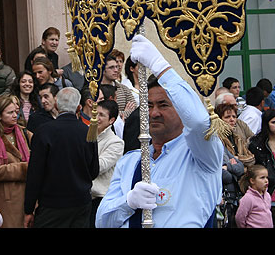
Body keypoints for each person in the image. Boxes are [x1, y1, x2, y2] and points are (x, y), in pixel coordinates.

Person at [95, 35, 223, 228]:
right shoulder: (130, 161)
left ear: (181, 109)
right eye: (148, 105)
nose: (154, 113)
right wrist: (128, 202)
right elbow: (102, 222)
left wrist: (159, 65)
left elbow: (198, 122)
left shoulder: (202, 155)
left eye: (163, 105)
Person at [24, 86, 99, 228]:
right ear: (79, 108)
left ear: (57, 105)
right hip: (80, 203)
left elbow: (35, 174)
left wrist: (28, 209)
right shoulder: (88, 132)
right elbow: (94, 170)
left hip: (52, 205)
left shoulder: (43, 132)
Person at [0, 94, 32, 228]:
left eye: (16, 112)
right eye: (10, 113)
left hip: (29, 195)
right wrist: (23, 168)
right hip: (7, 200)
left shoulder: (25, 133)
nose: (15, 115)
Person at [90, 99, 124, 227]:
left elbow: (99, 167)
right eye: (95, 113)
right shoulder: (83, 132)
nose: (97, 118)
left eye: (101, 115)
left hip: (99, 198)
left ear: (112, 120)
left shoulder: (115, 142)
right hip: (79, 196)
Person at [100, 54, 137, 120]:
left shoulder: (124, 89)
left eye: (116, 67)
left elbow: (134, 108)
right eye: (111, 67)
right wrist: (125, 113)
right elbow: (100, 113)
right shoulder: (97, 90)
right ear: (103, 70)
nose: (116, 70)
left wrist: (122, 114)